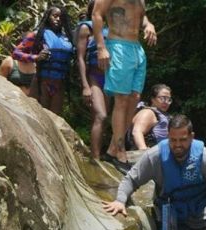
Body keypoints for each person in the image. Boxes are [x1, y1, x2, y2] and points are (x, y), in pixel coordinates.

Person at [93, 0, 158, 172]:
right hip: (118, 46)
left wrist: (148, 24)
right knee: (121, 99)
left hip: (137, 49)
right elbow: (97, 13)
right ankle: (120, 153)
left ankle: (112, 149)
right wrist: (101, 47)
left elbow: (141, 16)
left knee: (134, 98)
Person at [76, 2, 110, 161]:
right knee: (101, 115)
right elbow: (80, 58)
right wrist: (85, 86)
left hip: (109, 79)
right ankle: (95, 159)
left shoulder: (110, 29)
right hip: (94, 78)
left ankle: (95, 154)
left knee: (101, 119)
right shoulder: (86, 28)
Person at [34, 5, 75, 115]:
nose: (58, 19)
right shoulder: (39, 34)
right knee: (42, 115)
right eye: (55, 16)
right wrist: (36, 57)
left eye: (61, 17)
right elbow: (17, 53)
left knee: (55, 117)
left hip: (60, 83)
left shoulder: (68, 38)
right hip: (43, 81)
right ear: (48, 17)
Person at [127, 83, 172, 151]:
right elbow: (137, 132)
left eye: (169, 99)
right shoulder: (148, 113)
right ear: (153, 99)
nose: (166, 102)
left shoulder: (164, 115)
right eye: (162, 98)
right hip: (149, 153)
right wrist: (144, 150)